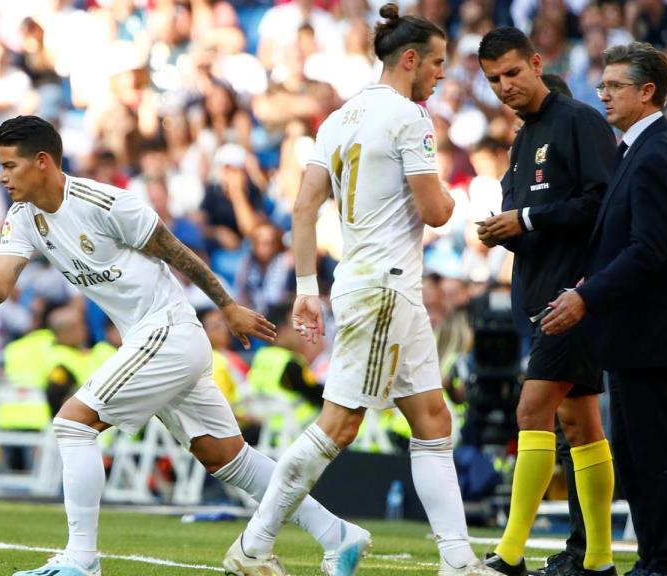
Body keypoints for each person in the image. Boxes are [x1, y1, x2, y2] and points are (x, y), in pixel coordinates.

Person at [0, 115, 356, 576]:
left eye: (10, 165)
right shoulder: (24, 219)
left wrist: (228, 307)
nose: (2, 176)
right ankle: (339, 535)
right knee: (227, 459)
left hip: (168, 331)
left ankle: (82, 561)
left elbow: (177, 252)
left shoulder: (105, 202)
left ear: (42, 161)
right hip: (153, 342)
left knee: (74, 425)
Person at [223, 5, 503, 576]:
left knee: (431, 419)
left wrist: (306, 287)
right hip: (385, 287)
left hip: (370, 282)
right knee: (340, 424)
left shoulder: (338, 119)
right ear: (409, 60)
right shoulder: (409, 117)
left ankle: (458, 560)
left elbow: (303, 208)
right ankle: (253, 546)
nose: (441, 75)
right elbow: (434, 208)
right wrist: (459, 202)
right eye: (437, 63)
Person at [543, 42, 667, 576]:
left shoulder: (656, 151)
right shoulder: (639, 147)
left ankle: (665, 562)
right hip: (638, 328)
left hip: (651, 329)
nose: (603, 94)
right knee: (639, 453)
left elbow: (648, 250)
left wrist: (586, 295)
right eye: (602, 84)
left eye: (614, 86)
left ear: (647, 91)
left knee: (654, 452)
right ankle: (654, 558)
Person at [476, 28, 617, 576]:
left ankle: (510, 554)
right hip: (537, 295)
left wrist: (529, 219)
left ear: (536, 64)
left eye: (512, 72)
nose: (504, 86)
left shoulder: (579, 120)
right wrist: (502, 230)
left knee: (530, 412)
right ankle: (600, 560)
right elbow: (524, 214)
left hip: (573, 297)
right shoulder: (522, 138)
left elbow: (602, 202)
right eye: (493, 80)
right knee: (581, 425)